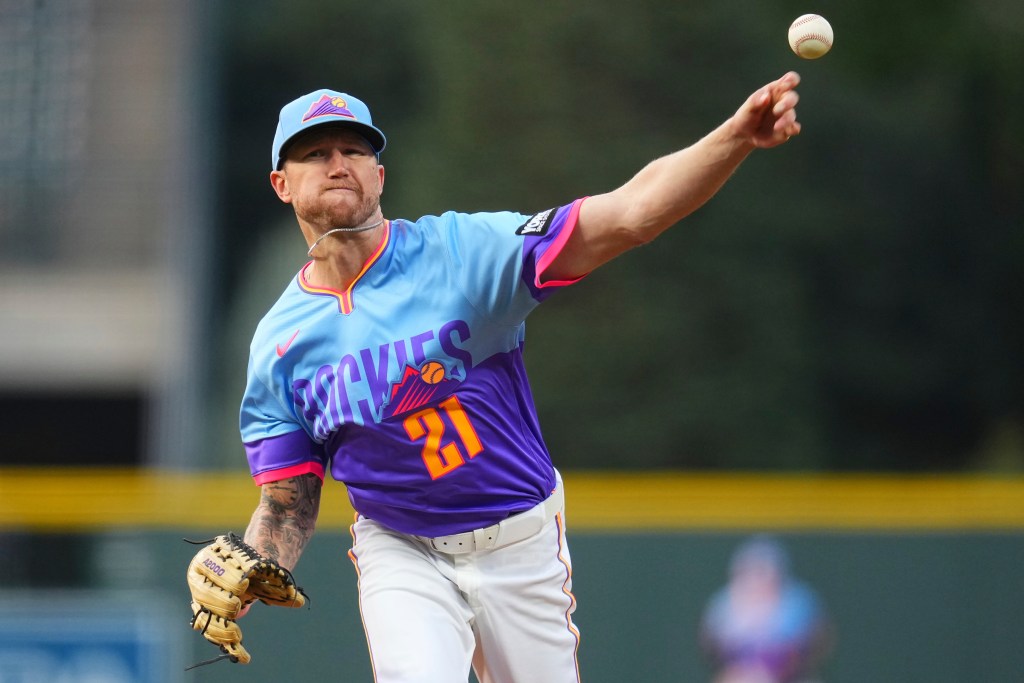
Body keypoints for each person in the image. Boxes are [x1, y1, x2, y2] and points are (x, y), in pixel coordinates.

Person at [220, 73, 802, 683]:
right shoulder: (279, 345)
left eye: (356, 150)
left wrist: (734, 138)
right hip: (402, 548)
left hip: (519, 538)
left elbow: (630, 214)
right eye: (316, 152)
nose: (340, 163)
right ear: (281, 184)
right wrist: (249, 568)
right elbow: (286, 506)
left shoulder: (461, 254)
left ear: (380, 176)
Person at [699, 536, 834, 683]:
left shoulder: (798, 603)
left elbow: (821, 642)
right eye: (750, 573)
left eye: (763, 573)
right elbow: (711, 647)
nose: (757, 581)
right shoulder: (722, 605)